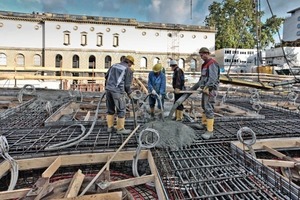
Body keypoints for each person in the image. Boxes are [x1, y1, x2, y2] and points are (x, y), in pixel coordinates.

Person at [105, 55, 134, 134]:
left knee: (110, 109)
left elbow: (106, 77)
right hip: (117, 91)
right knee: (121, 109)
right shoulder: (127, 69)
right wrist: (130, 93)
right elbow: (127, 85)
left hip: (108, 90)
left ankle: (110, 127)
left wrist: (108, 87)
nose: (131, 65)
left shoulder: (114, 66)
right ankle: (120, 129)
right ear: (129, 62)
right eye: (131, 64)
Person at [198, 47, 220, 139]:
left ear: (207, 53)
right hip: (205, 89)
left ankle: (210, 131)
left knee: (209, 108)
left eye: (202, 55)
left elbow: (213, 78)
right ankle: (204, 124)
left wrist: (208, 87)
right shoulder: (204, 64)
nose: (201, 56)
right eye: (200, 55)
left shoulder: (212, 63)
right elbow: (203, 77)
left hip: (210, 90)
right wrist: (201, 85)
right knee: (204, 106)